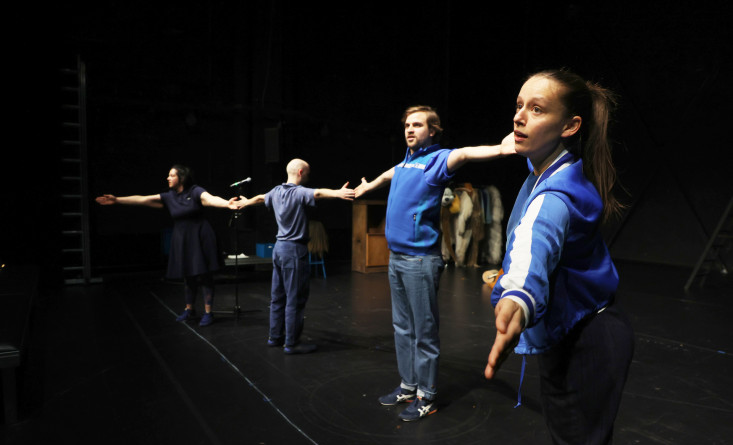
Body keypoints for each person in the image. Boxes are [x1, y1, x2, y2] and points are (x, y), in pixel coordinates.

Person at [484, 69, 634, 445]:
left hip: (586, 341)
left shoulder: (554, 195)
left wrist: (516, 298)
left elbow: (537, 241)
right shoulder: (552, 172)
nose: (519, 117)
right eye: (518, 106)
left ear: (570, 126)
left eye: (536, 109)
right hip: (593, 327)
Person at [354, 105, 514, 421]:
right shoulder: (405, 162)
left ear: (433, 131)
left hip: (420, 260)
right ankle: (407, 385)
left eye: (417, 125)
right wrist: (367, 186)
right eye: (407, 125)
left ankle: (426, 396)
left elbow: (465, 154)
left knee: (423, 331)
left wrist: (500, 148)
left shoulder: (438, 160)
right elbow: (389, 174)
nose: (410, 130)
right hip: (397, 258)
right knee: (402, 327)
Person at [96, 164, 240, 326]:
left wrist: (227, 204)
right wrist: (117, 200)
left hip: (200, 236)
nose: (168, 178)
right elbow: (143, 199)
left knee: (204, 274)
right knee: (188, 274)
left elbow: (211, 199)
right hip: (182, 238)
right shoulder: (169, 196)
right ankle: (189, 309)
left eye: (171, 175)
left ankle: (208, 312)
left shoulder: (195, 191)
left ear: (182, 178)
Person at [235, 158, 354, 354]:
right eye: (307, 172)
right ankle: (291, 343)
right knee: (295, 298)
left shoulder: (276, 191)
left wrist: (246, 202)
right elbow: (318, 193)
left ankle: (275, 337)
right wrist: (338, 193)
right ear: (300, 172)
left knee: (278, 297)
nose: (308, 176)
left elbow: (259, 198)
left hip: (279, 249)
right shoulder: (299, 192)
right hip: (294, 250)